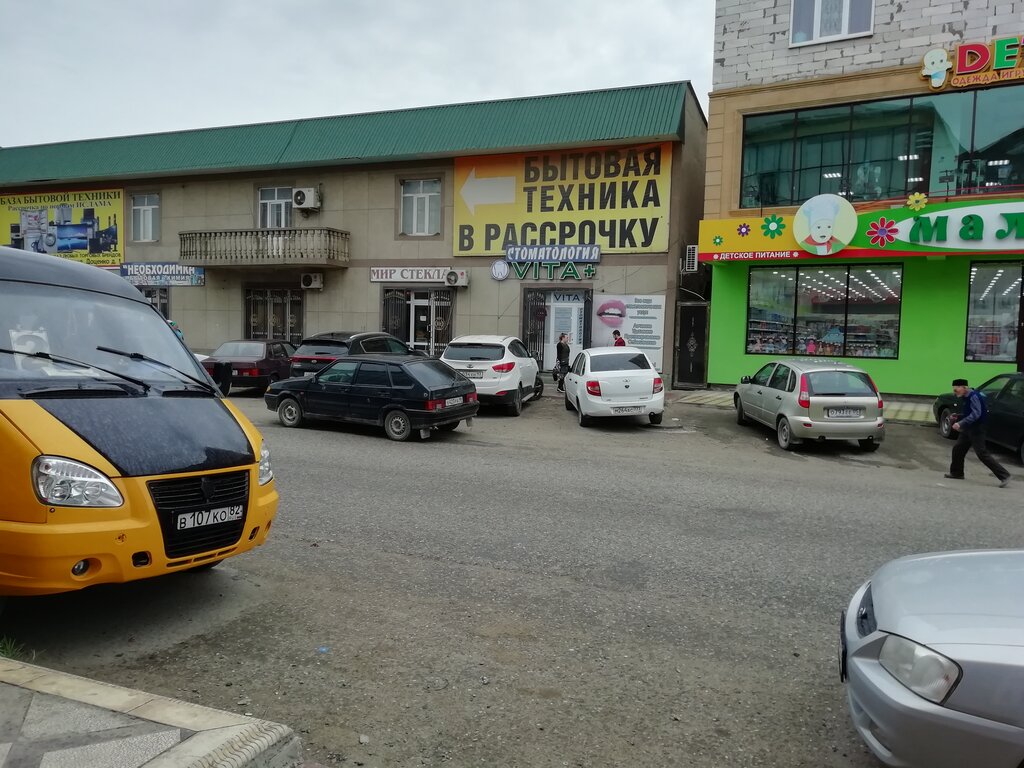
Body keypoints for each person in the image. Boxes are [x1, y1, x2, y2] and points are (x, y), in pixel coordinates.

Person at [945, 378, 1011, 487]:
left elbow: (976, 414)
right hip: (968, 428)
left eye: (956, 389)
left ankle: (1004, 475)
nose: (955, 392)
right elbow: (970, 413)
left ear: (964, 387)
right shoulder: (966, 396)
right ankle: (957, 473)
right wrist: (958, 416)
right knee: (958, 449)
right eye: (954, 389)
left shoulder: (973, 396)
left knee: (981, 453)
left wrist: (960, 423)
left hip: (977, 428)